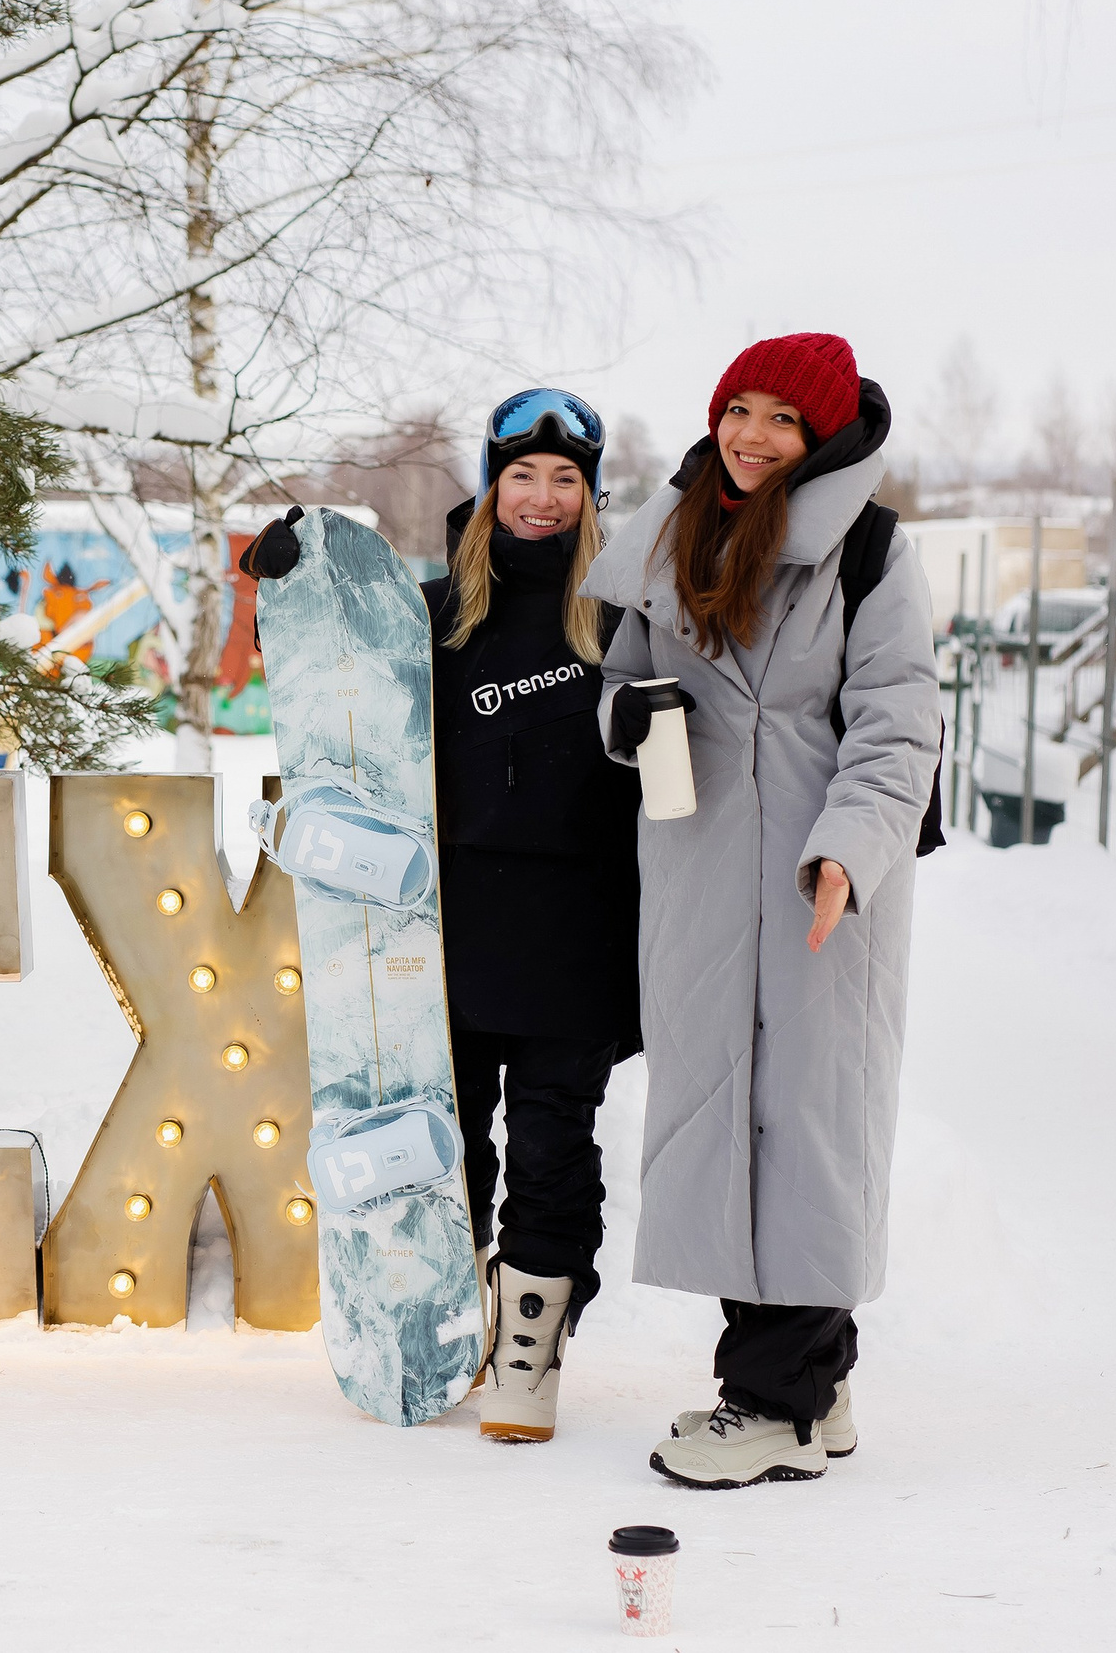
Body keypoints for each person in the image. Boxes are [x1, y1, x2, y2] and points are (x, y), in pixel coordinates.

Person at [582, 333, 940, 1488]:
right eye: (739, 407)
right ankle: (815, 1385)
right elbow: (620, 677)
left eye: (782, 418)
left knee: (806, 1123)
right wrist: (625, 720)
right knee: (723, 1111)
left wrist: (844, 852)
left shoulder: (872, 551)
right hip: (694, 866)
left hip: (817, 878)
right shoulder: (677, 525)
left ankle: (769, 1399)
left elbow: (897, 723)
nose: (751, 435)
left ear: (822, 435)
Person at [419, 389, 642, 1444]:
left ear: (592, 496)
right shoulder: (429, 613)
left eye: (566, 479)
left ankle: (529, 1351)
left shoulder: (629, 615)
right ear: (490, 485)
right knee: (450, 1141)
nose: (543, 497)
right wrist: (300, 578)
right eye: (522, 475)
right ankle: (453, 1319)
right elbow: (335, 674)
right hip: (453, 929)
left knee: (554, 1147)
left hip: (578, 927)